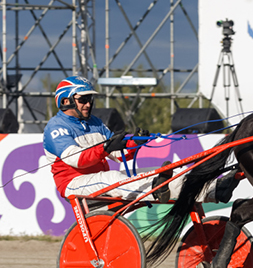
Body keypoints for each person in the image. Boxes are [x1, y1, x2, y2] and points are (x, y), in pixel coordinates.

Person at [43, 76, 175, 204]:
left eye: (90, 99)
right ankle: (155, 189)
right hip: (73, 183)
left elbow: (118, 155)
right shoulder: (56, 126)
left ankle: (189, 194)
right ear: (65, 101)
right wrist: (106, 147)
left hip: (98, 178)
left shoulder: (95, 122)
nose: (88, 104)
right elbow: (78, 160)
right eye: (83, 99)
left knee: (160, 171)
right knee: (111, 178)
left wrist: (135, 143)